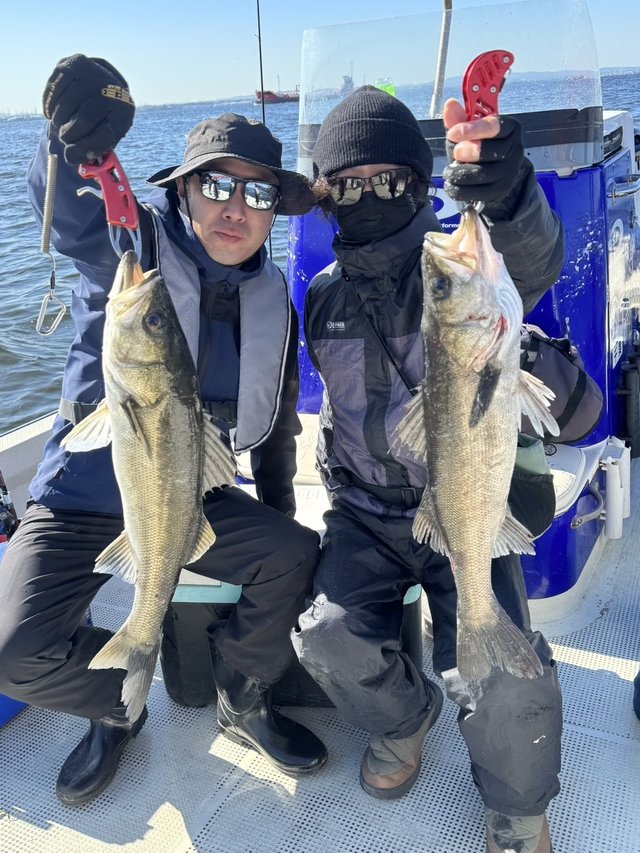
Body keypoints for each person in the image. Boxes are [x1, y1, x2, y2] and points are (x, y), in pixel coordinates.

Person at [0, 54, 327, 807]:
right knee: (12, 653)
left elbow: (276, 422)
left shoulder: (274, 297)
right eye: (215, 185)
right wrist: (71, 144)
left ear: (273, 212)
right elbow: (75, 214)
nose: (235, 208)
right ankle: (115, 706)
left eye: (257, 192)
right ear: (182, 191)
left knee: (294, 553)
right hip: (82, 499)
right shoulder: (134, 251)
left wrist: (278, 513)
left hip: (186, 496)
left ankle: (241, 695)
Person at [291, 85, 564, 853]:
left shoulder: (452, 273)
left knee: (505, 675)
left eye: (388, 180)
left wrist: (507, 190)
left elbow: (531, 257)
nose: (369, 196)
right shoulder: (321, 298)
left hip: (466, 506)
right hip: (365, 515)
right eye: (348, 185)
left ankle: (517, 807)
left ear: (418, 184)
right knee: (324, 636)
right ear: (326, 196)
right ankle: (406, 718)